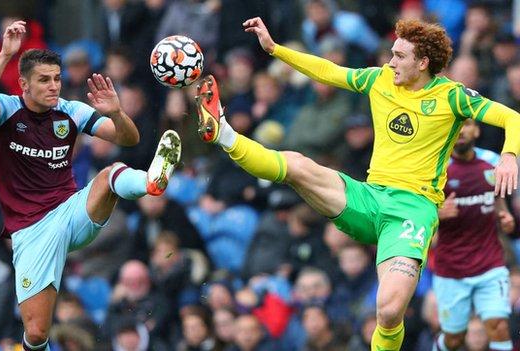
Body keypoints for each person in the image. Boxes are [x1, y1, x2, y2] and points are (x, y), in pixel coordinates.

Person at [193, 17, 520, 351]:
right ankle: (224, 132)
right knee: (297, 165)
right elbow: (329, 71)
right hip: (369, 198)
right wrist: (276, 49)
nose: (390, 62)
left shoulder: (452, 96)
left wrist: (509, 155)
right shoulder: (379, 80)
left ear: (423, 63)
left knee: (389, 311)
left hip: (412, 213)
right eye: (391, 53)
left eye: (399, 56)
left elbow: (513, 118)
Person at [0, 21, 181, 351]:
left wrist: (118, 112)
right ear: (23, 83)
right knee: (36, 333)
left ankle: (151, 181)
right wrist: (5, 55)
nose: (54, 86)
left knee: (110, 174)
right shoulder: (7, 109)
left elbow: (128, 138)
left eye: (57, 78)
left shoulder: (72, 111)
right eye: (44, 80)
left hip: (70, 212)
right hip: (30, 231)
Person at [432, 118, 515, 351]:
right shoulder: (436, 169)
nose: (461, 130)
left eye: (466, 124)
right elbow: (415, 212)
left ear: (476, 130)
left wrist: (504, 215)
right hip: (451, 270)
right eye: (455, 126)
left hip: (490, 264)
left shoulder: (492, 163)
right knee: (455, 339)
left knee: (498, 326)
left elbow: (497, 199)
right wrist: (436, 213)